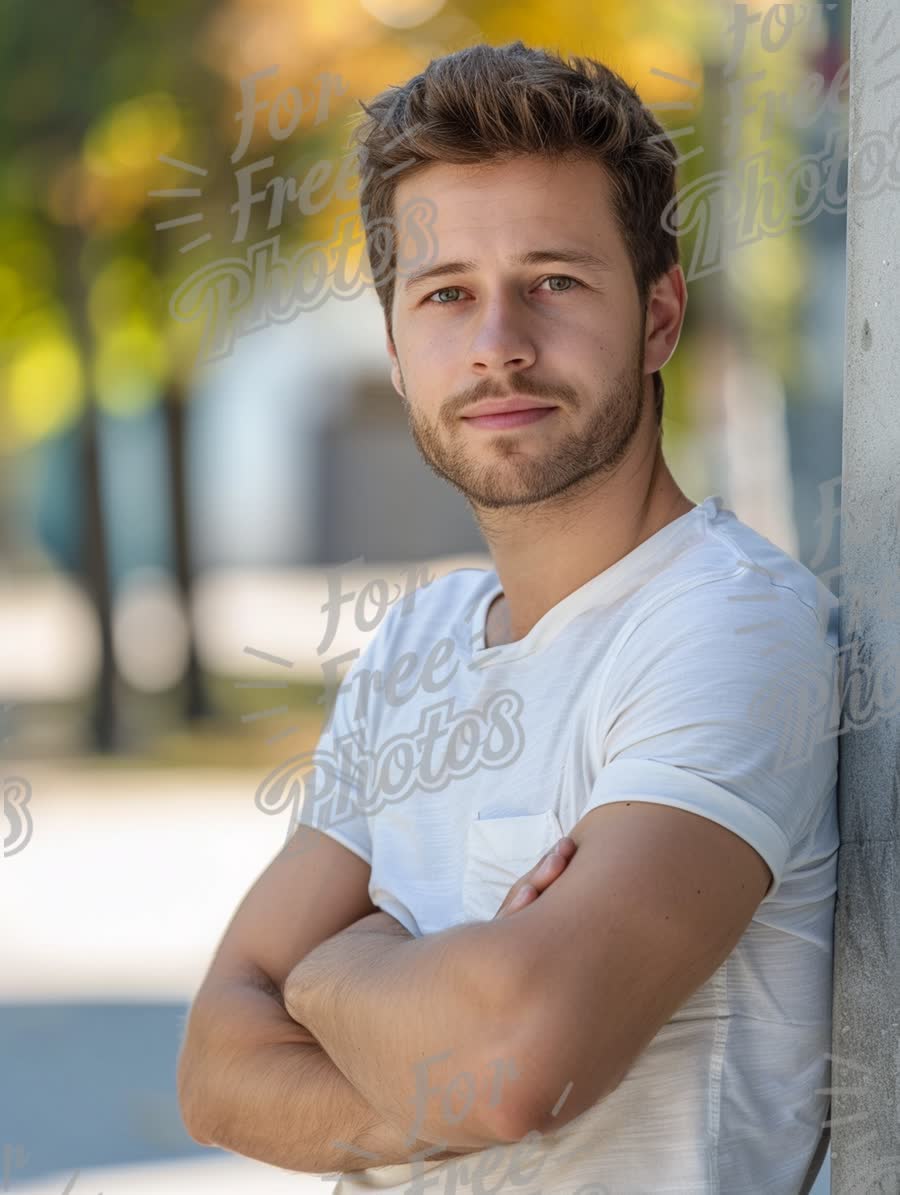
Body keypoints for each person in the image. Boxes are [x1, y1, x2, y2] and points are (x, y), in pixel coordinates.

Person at [177, 41, 840, 1194]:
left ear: (660, 316)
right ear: (394, 349)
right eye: (447, 296)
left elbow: (515, 1069)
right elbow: (214, 1066)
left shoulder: (728, 630)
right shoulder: (418, 642)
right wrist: (446, 1035)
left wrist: (330, 972)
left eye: (557, 281)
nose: (499, 344)